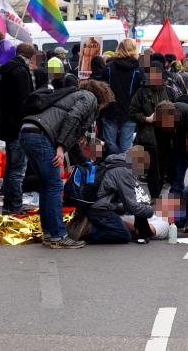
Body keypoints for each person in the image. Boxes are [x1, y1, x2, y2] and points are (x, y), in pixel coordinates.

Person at [20, 79, 114, 249]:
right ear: (103, 97)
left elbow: (73, 140)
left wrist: (86, 164)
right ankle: (58, 236)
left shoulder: (73, 96)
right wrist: (61, 147)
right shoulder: (89, 98)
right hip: (41, 136)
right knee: (55, 185)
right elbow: (73, 118)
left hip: (28, 132)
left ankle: (50, 234)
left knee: (47, 186)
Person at [70, 145, 157, 244]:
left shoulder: (114, 162)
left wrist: (120, 208)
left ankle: (89, 223)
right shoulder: (125, 171)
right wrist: (150, 211)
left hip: (91, 202)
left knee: (124, 212)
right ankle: (88, 231)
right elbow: (132, 207)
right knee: (123, 234)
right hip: (98, 208)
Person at [0, 43, 36, 215]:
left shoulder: (6, 70)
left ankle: (8, 205)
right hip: (18, 126)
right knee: (18, 170)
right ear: (29, 56)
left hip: (7, 124)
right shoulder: (21, 72)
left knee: (11, 168)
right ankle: (16, 206)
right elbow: (25, 101)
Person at [130, 60, 176, 197]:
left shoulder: (170, 91)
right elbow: (132, 113)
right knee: (152, 170)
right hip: (148, 137)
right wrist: (146, 119)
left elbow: (178, 109)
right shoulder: (141, 92)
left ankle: (157, 193)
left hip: (166, 138)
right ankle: (155, 196)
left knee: (162, 169)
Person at [102, 39, 143, 155]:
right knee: (126, 147)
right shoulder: (138, 70)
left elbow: (102, 89)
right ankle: (124, 170)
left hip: (110, 110)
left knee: (109, 145)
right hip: (130, 111)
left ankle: (110, 170)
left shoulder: (109, 68)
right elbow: (141, 92)